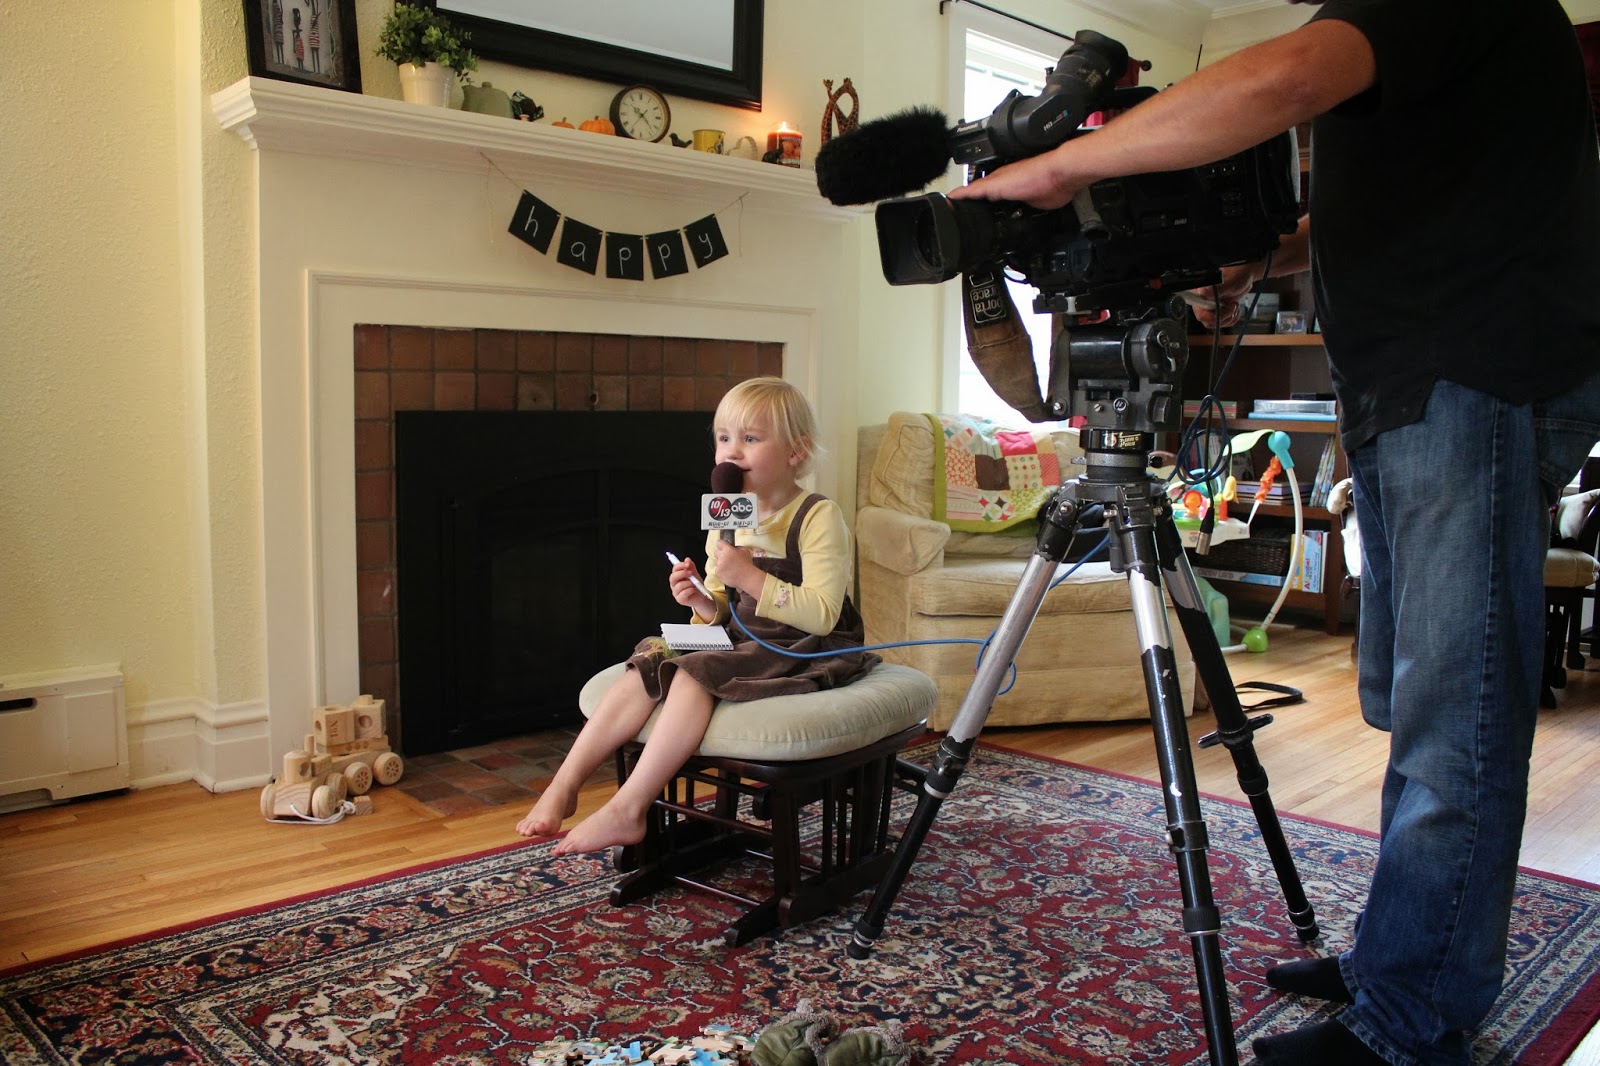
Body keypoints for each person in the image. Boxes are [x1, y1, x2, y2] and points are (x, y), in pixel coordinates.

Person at [951, 2, 1600, 1064]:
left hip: (1469, 380)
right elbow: (1386, 202)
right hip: (1418, 385)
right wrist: (1257, 258)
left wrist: (1064, 165)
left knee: (1457, 719)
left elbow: (1286, 76)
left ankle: (1409, 1023)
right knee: (1418, 708)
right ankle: (1403, 958)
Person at [516, 377, 879, 855]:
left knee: (692, 674)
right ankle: (564, 785)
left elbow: (823, 615)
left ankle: (629, 810)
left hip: (802, 644)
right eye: (724, 438)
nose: (732, 451)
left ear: (796, 451)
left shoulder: (816, 516)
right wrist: (702, 602)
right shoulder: (727, 514)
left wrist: (750, 576)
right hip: (744, 635)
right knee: (650, 658)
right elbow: (724, 606)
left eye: (751, 438)